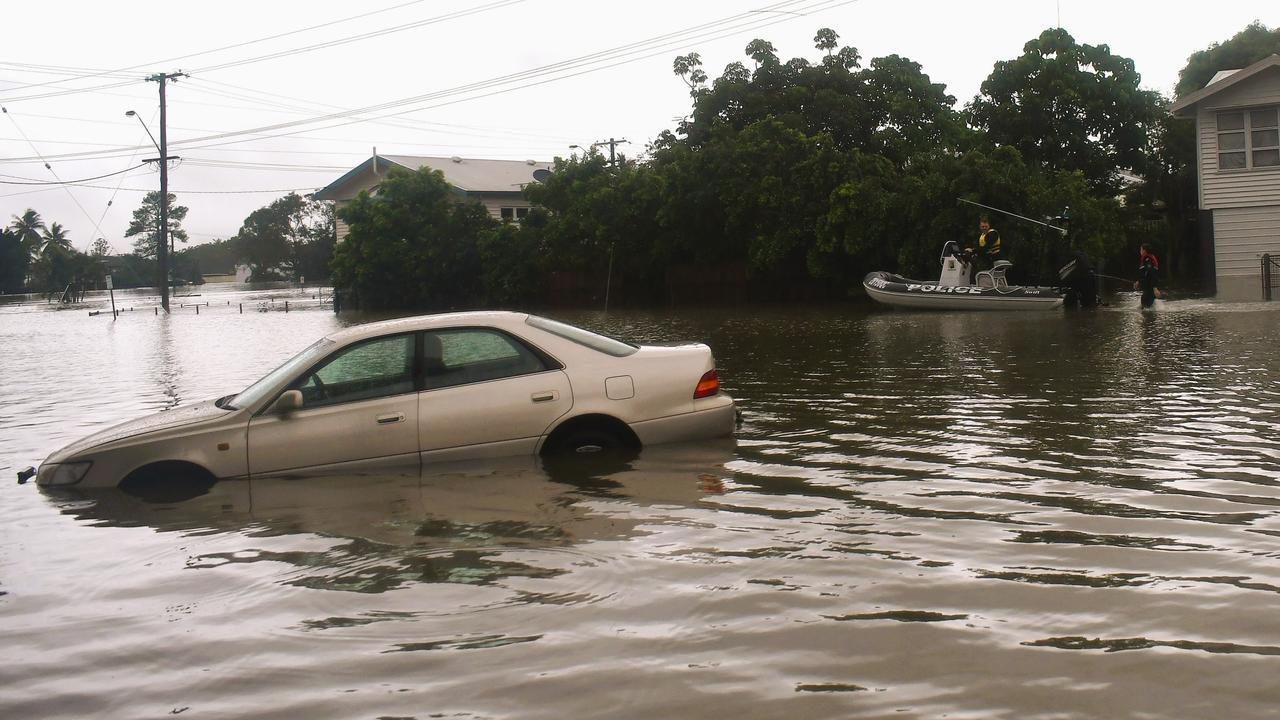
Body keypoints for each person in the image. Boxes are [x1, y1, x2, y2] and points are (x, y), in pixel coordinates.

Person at [963, 214, 1002, 282]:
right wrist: (971, 250)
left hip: (993, 258)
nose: (984, 228)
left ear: (989, 226)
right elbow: (979, 248)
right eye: (982, 226)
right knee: (967, 257)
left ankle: (976, 283)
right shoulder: (982, 235)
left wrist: (973, 251)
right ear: (980, 227)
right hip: (985, 258)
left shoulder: (993, 234)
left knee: (977, 266)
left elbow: (986, 247)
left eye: (986, 226)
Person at [1133, 244, 1162, 308]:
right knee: (1145, 308)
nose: (1140, 251)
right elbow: (1144, 274)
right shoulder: (1147, 259)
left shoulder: (1148, 259)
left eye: (1141, 249)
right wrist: (1138, 282)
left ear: (1144, 251)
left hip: (1150, 288)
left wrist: (1155, 288)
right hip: (1148, 287)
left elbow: (1152, 273)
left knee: (1144, 308)